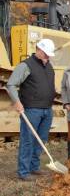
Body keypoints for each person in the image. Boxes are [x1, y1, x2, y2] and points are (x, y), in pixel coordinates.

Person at [6, 39, 57, 180]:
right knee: (28, 140)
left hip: (47, 109)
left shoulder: (49, 66)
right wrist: (17, 102)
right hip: (31, 110)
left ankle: (34, 167)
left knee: (41, 140)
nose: (48, 57)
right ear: (38, 50)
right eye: (46, 54)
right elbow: (11, 85)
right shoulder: (25, 65)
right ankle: (23, 172)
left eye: (49, 55)